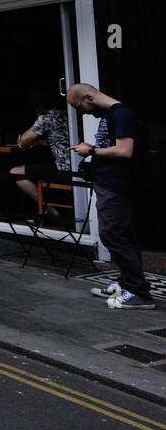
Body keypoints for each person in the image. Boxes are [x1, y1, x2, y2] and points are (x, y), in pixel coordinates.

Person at [68, 83, 154, 309]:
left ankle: (138, 292)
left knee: (112, 233)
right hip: (109, 183)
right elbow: (113, 147)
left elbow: (124, 151)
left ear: (89, 97)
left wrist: (91, 151)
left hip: (117, 186)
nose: (83, 112)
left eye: (80, 107)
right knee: (121, 233)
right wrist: (93, 150)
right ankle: (127, 283)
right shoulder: (112, 115)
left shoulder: (122, 114)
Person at [11, 90, 71, 216]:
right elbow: (62, 140)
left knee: (15, 172)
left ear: (38, 107)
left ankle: (50, 211)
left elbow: (22, 142)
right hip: (76, 165)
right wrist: (42, 143)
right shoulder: (67, 114)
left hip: (63, 168)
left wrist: (39, 118)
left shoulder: (46, 118)